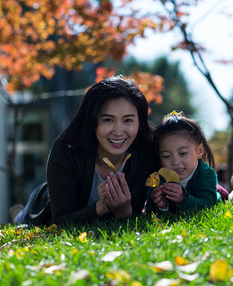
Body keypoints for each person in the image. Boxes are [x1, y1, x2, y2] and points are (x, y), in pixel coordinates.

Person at [12, 76, 158, 224]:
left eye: (128, 120)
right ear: (92, 121)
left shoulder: (146, 150)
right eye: (108, 120)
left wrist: (124, 210)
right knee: (22, 219)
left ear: (139, 122)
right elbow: (60, 222)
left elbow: (133, 214)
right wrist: (103, 207)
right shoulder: (67, 148)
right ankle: (18, 213)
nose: (118, 131)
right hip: (43, 206)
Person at [146, 111, 222, 212]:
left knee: (220, 193)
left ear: (199, 151)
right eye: (166, 156)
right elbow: (149, 211)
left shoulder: (207, 174)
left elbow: (208, 206)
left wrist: (184, 199)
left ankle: (220, 191)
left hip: (210, 192)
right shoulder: (157, 178)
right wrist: (161, 206)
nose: (176, 162)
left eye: (183, 153)